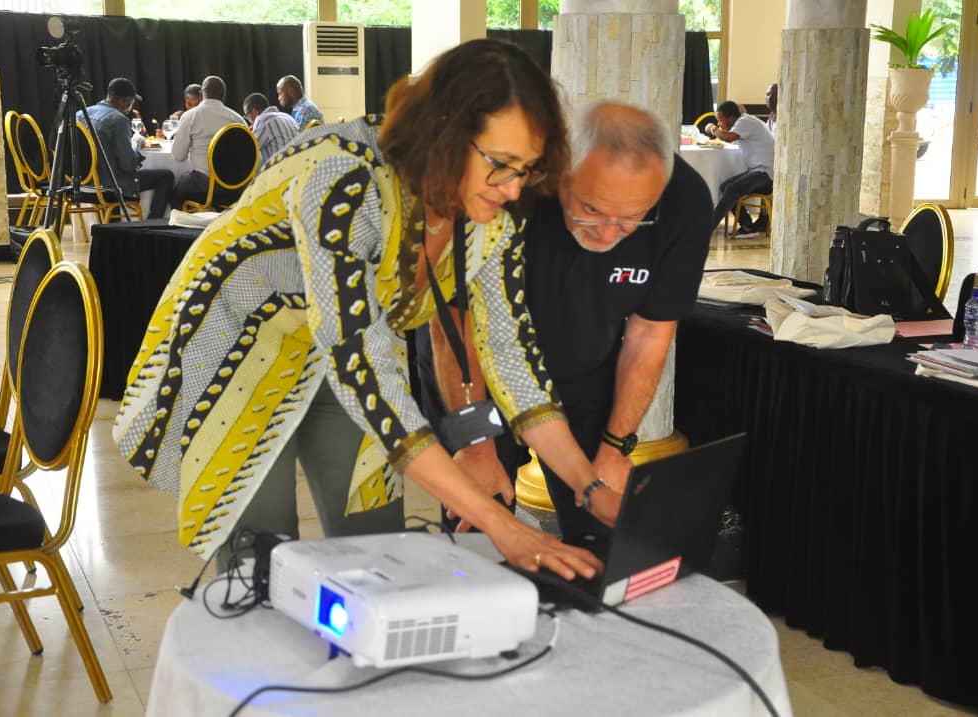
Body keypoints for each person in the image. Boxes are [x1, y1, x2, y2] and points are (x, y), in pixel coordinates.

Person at [113, 39, 614, 580]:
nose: (515, 186)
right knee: (260, 560)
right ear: (444, 132)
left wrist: (592, 488)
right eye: (501, 163)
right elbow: (365, 369)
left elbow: (512, 358)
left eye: (528, 168)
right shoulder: (343, 179)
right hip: (237, 336)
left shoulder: (493, 209)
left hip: (344, 344)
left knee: (375, 543)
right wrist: (499, 523)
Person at [415, 101, 713, 543]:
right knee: (479, 528)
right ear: (560, 174)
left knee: (601, 533)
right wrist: (475, 442)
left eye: (632, 219)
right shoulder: (510, 185)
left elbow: (650, 332)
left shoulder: (684, 201)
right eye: (591, 210)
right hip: (475, 368)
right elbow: (453, 320)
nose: (609, 234)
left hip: (584, 373)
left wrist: (614, 447)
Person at [79, 77, 174, 220]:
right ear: (125, 101)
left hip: (82, 185)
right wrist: (136, 148)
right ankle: (152, 224)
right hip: (109, 186)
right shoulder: (118, 120)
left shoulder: (80, 114)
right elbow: (128, 165)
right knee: (166, 176)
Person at [169, 75, 246, 210]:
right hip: (233, 188)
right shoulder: (238, 119)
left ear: (201, 94)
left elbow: (178, 156)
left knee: (175, 195)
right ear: (224, 95)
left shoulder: (190, 116)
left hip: (202, 184)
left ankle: (181, 228)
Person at [705, 99, 775, 236]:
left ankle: (707, 228)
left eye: (720, 120)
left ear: (731, 118)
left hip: (766, 173)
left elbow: (729, 137)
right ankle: (747, 225)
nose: (719, 124)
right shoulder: (744, 122)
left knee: (732, 189)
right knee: (725, 187)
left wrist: (713, 129)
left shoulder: (744, 122)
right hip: (758, 171)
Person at [242, 92, 300, 170]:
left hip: (281, 172)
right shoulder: (288, 117)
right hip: (298, 168)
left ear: (255, 111)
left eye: (247, 116)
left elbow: (248, 150)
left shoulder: (262, 120)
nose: (249, 120)